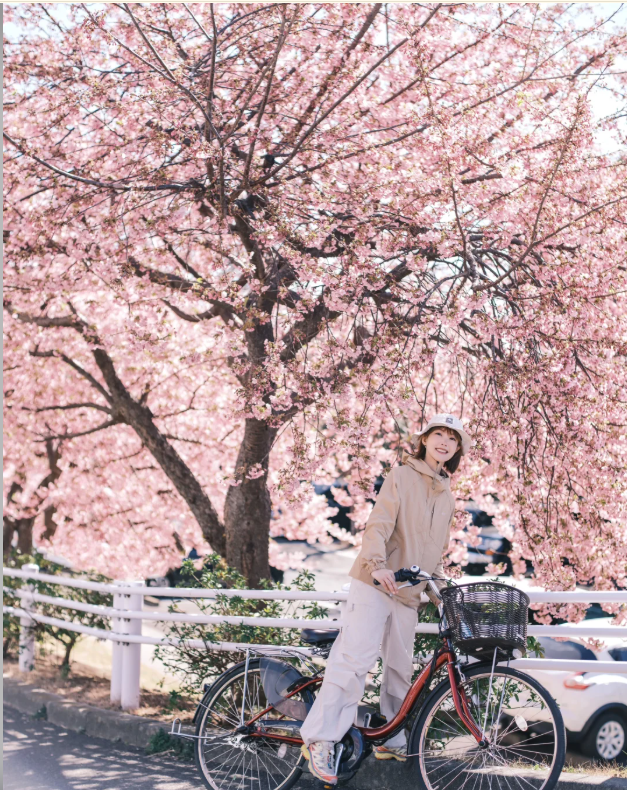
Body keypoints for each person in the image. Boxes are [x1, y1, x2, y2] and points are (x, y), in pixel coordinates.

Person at [300, 414, 471, 784]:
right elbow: (379, 523)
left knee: (399, 669)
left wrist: (441, 591)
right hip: (377, 583)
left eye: (451, 438)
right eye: (437, 434)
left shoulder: (447, 496)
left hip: (409, 593)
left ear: (458, 449)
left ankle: (390, 737)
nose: (443, 442)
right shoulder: (401, 476)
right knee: (354, 661)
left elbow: (434, 553)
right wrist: (377, 564)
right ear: (424, 440)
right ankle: (321, 740)